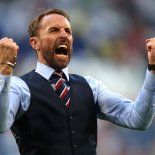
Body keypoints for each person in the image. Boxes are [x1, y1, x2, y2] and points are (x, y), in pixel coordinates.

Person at [0, 8, 155, 155]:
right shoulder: (19, 87)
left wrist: (153, 69)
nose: (64, 35)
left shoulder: (90, 86)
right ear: (35, 43)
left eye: (68, 31)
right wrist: (4, 71)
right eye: (54, 30)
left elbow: (138, 119)